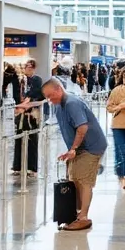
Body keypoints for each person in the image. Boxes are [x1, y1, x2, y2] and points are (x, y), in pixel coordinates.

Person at [45, 77, 108, 231]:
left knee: (84, 180)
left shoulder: (72, 103)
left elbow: (82, 127)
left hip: (91, 147)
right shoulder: (59, 106)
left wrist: (73, 148)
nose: (49, 99)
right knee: (74, 178)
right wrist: (70, 150)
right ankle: (77, 213)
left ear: (59, 89)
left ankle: (83, 217)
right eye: (47, 97)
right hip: (79, 148)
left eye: (50, 95)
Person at [13, 60, 44, 176]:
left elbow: (38, 94)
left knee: (32, 141)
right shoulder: (21, 80)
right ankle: (17, 166)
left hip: (32, 114)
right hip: (21, 113)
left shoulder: (37, 80)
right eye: (27, 67)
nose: (28, 69)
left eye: (30, 68)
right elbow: (17, 94)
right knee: (19, 139)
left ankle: (32, 168)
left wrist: (29, 100)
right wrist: (20, 105)